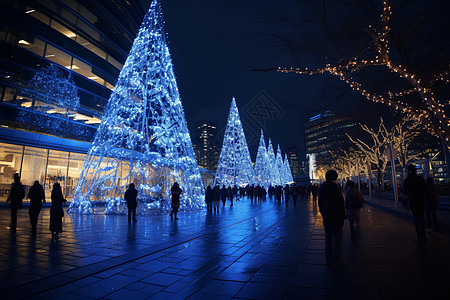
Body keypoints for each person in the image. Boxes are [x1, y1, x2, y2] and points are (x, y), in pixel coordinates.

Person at [318, 170, 346, 266]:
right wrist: (343, 215)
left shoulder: (322, 187)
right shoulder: (335, 187)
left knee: (328, 239)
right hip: (336, 217)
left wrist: (324, 214)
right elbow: (340, 203)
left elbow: (320, 203)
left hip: (327, 217)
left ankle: (328, 259)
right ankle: (337, 260)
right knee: (337, 239)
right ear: (335, 177)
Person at [403, 164, 427, 242]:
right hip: (421, 201)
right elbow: (425, 190)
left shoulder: (407, 180)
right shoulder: (420, 179)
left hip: (413, 201)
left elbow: (405, 192)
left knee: (416, 219)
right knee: (422, 217)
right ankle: (423, 234)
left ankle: (419, 235)